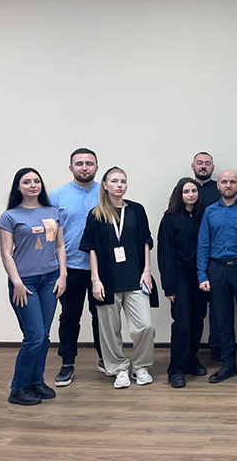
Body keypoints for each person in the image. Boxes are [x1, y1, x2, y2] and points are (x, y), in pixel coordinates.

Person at [80, 167, 157, 389]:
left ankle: (141, 366)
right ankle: (119, 369)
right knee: (109, 330)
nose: (119, 185)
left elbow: (146, 241)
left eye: (123, 181)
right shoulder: (96, 214)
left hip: (135, 277)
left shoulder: (136, 210)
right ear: (105, 185)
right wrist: (95, 279)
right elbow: (92, 249)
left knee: (144, 326)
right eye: (114, 181)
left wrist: (147, 271)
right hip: (107, 280)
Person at [0, 168, 67, 405]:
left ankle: (36, 381)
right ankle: (18, 388)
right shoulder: (10, 216)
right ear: (18, 187)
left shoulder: (52, 211)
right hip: (25, 283)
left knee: (44, 336)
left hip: (50, 279)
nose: (33, 185)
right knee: (34, 336)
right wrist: (16, 282)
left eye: (36, 181)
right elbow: (6, 253)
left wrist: (62, 275)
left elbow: (60, 246)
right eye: (26, 182)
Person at [197, 170, 237, 390]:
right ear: (218, 185)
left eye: (232, 181)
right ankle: (228, 365)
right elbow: (203, 244)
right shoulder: (209, 211)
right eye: (224, 181)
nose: (228, 185)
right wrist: (202, 275)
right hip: (217, 270)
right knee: (222, 321)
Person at [50, 148, 104, 387]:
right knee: (69, 317)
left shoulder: (106, 192)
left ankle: (106, 358)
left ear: (96, 167)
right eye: (79, 163)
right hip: (70, 267)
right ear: (71, 168)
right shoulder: (56, 196)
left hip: (101, 269)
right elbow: (51, 234)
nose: (84, 167)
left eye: (89, 163)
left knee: (102, 316)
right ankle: (67, 363)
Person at [158, 178, 207, 388]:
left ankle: (191, 359)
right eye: (186, 191)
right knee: (182, 322)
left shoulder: (204, 215)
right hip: (179, 276)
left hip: (200, 275)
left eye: (193, 191)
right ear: (179, 194)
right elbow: (165, 254)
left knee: (198, 319)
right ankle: (176, 370)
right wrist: (169, 285)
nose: (191, 195)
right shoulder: (169, 218)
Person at [191, 151, 221, 361]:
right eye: (200, 163)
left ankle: (217, 347)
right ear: (192, 166)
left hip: (215, 258)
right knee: (195, 308)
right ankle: (192, 351)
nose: (203, 166)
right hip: (189, 258)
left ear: (213, 168)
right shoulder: (185, 189)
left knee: (218, 307)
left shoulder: (219, 191)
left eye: (207, 163)